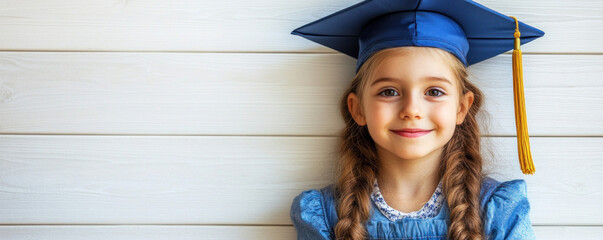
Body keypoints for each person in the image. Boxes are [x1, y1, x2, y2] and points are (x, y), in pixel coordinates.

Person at [289, 0, 544, 239]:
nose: (412, 110)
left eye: (434, 92)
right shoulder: (324, 213)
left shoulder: (496, 210)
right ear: (358, 109)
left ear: (462, 108)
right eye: (389, 92)